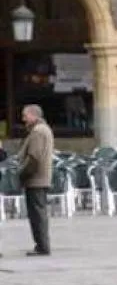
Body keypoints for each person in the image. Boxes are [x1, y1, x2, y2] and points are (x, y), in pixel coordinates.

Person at [17, 105, 54, 257]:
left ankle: (42, 246)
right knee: (38, 213)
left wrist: (21, 173)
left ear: (33, 115)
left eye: (25, 115)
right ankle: (41, 245)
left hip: (36, 179)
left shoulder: (38, 132)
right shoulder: (42, 129)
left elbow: (34, 157)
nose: (23, 119)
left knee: (37, 214)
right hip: (39, 179)